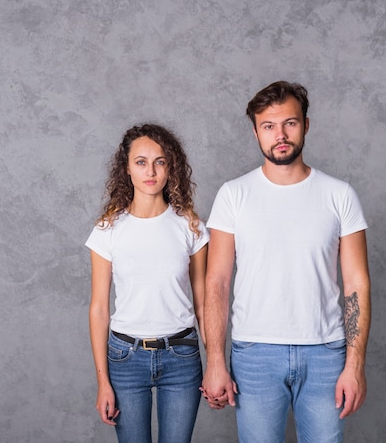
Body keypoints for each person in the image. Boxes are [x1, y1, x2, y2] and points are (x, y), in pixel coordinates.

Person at [200, 81, 371, 443]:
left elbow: (357, 285)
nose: (280, 134)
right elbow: (216, 283)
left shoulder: (339, 195)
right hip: (254, 355)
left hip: (325, 354)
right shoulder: (233, 195)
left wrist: (354, 366)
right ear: (256, 132)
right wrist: (215, 360)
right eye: (268, 126)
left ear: (306, 125)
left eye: (290, 123)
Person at [86, 124, 209, 443]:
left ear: (171, 168)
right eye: (141, 162)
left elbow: (204, 303)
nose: (150, 171)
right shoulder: (107, 229)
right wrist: (103, 382)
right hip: (125, 358)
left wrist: (216, 364)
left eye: (160, 161)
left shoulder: (190, 227)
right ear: (126, 169)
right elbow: (99, 308)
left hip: (181, 356)